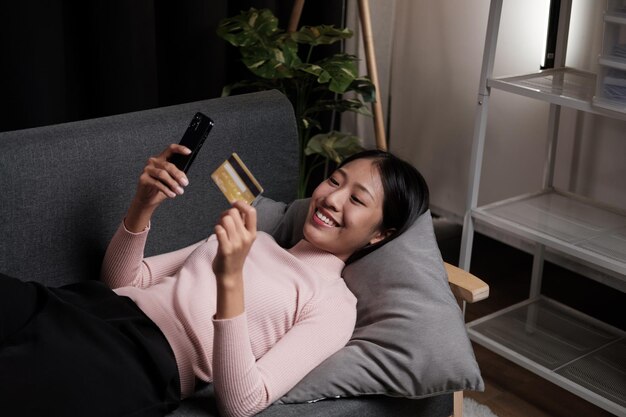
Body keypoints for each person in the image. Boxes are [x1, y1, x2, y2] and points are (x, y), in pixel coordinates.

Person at [0, 145, 429, 417]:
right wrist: (142, 206)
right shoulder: (255, 238)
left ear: (380, 234)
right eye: (335, 181)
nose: (332, 199)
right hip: (83, 306)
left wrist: (230, 281)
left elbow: (243, 402)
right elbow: (124, 281)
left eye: (356, 199)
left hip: (140, 361)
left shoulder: (333, 304)